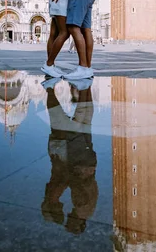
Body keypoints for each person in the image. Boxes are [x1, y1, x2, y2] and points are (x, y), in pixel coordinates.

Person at [41, 80, 98, 234]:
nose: (67, 216)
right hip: (69, 154)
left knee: (84, 114)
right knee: (62, 116)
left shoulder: (86, 209)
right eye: (70, 222)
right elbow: (67, 179)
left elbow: (65, 179)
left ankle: (85, 82)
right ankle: (50, 85)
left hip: (79, 156)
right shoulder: (81, 206)